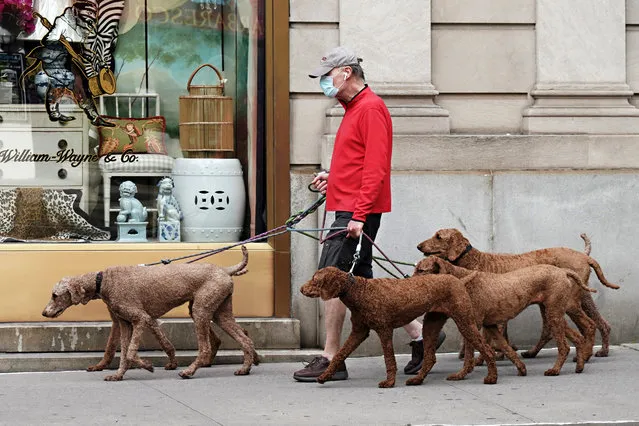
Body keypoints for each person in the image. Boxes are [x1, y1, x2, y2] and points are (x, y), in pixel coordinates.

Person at [293, 46, 446, 382]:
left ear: (345, 73)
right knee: (359, 278)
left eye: (326, 75)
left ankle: (332, 357)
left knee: (331, 279)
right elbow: (359, 162)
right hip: (349, 206)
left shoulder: (371, 108)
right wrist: (333, 176)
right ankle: (421, 336)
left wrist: (358, 216)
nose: (322, 83)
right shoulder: (353, 107)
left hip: (355, 211)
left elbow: (376, 169)